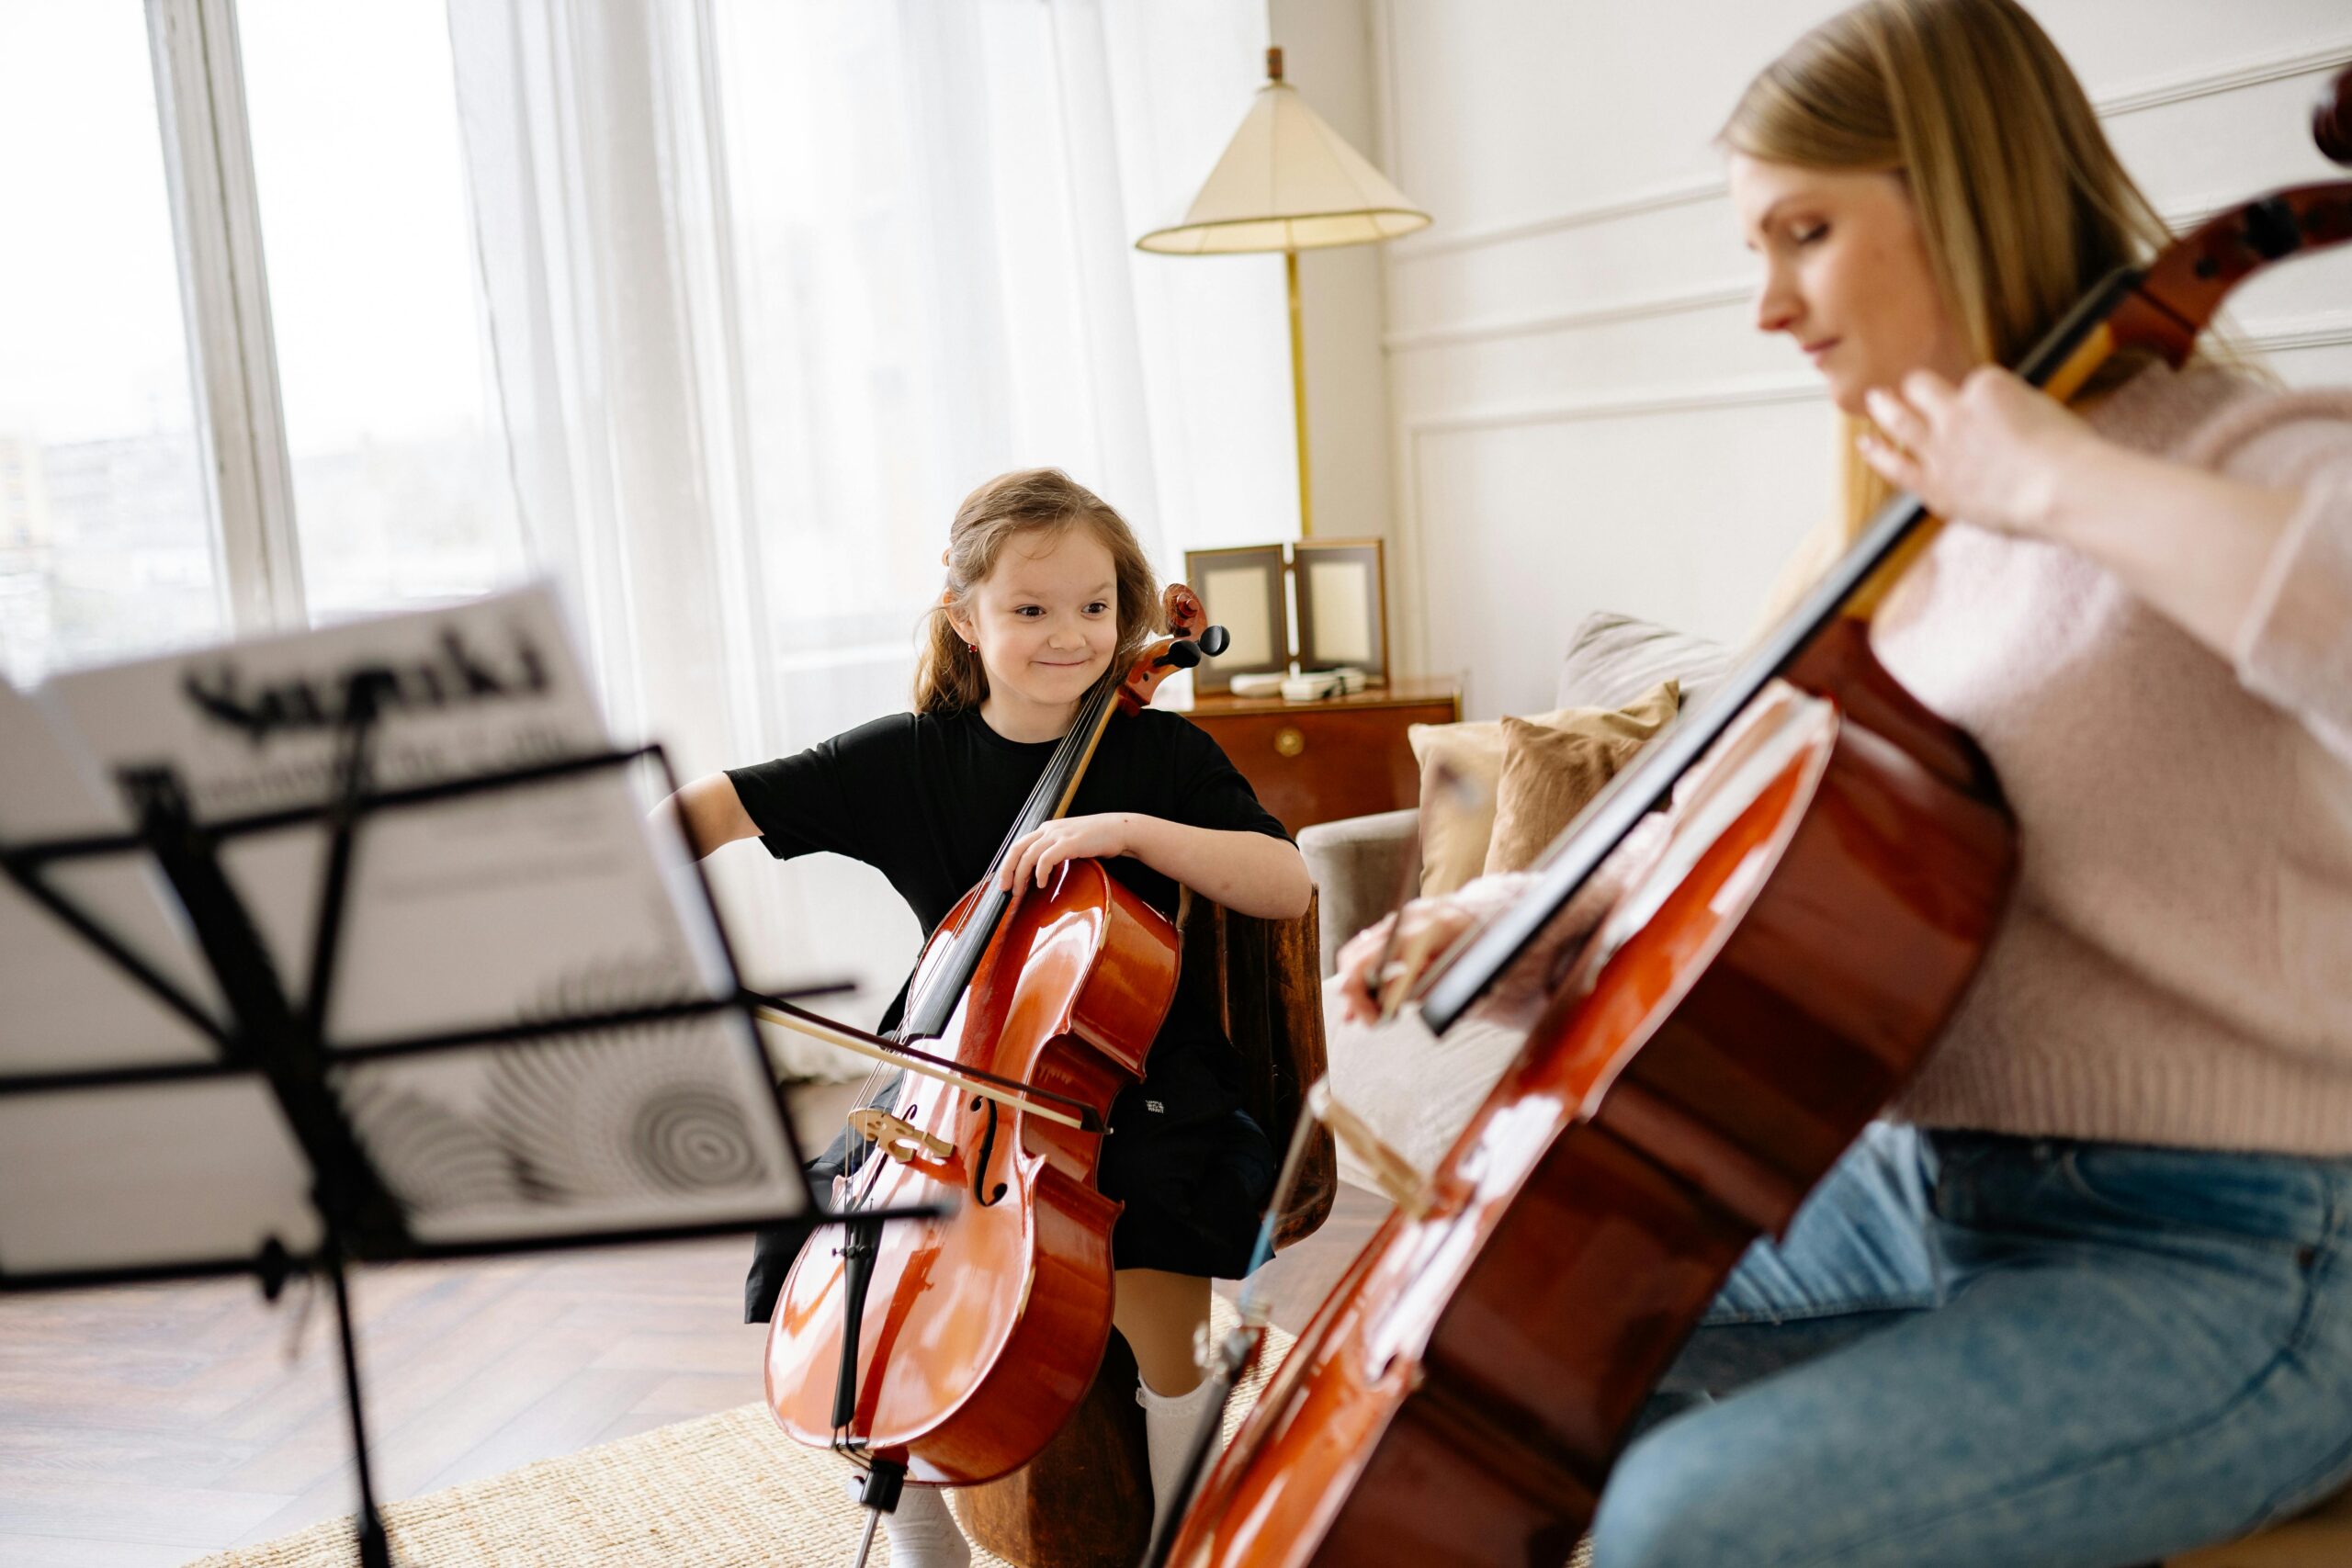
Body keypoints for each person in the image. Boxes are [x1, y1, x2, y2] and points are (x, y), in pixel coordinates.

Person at [1330, 2, 2352, 1562]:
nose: (1767, 305)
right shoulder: (1888, 532)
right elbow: (1724, 840)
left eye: (1804, 232)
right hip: (1919, 1183)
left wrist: (2057, 478)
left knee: (1685, 1523)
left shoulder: (2231, 453)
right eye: (1755, 246)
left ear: (1968, 194)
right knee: (1472, 1347)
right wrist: (1527, 919)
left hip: (2239, 1246)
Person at [663, 468, 1312, 1567]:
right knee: (858, 1281)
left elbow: (1283, 883)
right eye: (1030, 609)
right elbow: (716, 809)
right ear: (965, 619)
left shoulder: (1161, 757)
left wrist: (1127, 832)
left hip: (1132, 1081)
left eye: (1095, 607)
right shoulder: (911, 756)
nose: (1070, 634)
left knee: (1159, 1274)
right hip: (951, 1080)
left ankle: (1181, 1540)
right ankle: (924, 1547)